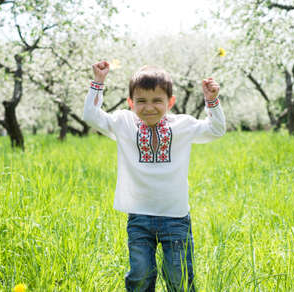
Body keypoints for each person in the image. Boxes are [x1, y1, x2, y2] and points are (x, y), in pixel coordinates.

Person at [83, 61, 226, 291]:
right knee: (139, 276)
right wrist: (98, 82)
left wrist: (212, 101)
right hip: (139, 218)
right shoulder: (124, 123)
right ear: (130, 103)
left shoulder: (183, 125)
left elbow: (216, 129)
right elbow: (90, 115)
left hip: (176, 217)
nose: (149, 107)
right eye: (141, 101)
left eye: (157, 101)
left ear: (170, 102)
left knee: (179, 278)